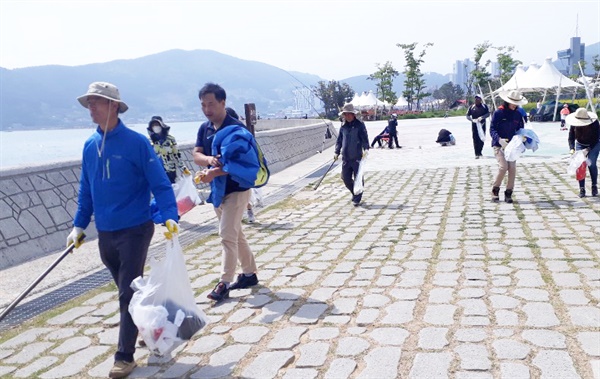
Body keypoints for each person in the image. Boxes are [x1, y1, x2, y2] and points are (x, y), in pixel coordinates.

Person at [66, 82, 178, 379]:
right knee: (129, 291)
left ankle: (124, 356)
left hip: (135, 229)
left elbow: (160, 183)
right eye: (89, 102)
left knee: (127, 294)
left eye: (96, 102)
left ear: (114, 106)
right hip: (106, 232)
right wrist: (79, 225)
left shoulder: (136, 143)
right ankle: (150, 324)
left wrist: (169, 216)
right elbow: (86, 190)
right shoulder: (90, 145)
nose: (91, 107)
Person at [193, 83, 259, 302]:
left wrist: (215, 172)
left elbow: (240, 163)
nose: (207, 109)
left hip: (237, 190)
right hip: (218, 191)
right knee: (235, 233)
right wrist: (209, 162)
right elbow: (197, 154)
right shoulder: (205, 129)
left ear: (222, 102)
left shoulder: (236, 129)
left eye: (211, 103)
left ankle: (224, 282)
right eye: (203, 105)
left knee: (226, 236)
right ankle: (249, 274)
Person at [489, 90, 527, 203]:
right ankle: (495, 190)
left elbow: (520, 129)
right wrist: (499, 140)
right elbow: (492, 129)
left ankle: (508, 193)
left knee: (512, 169)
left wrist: (523, 138)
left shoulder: (518, 114)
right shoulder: (498, 113)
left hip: (512, 146)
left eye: (516, 103)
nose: (514, 105)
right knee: (503, 167)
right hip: (499, 145)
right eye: (512, 102)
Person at [224, 106, 258, 223]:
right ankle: (247, 213)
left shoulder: (238, 132)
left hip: (238, 171)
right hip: (236, 172)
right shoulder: (240, 130)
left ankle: (247, 212)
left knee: (242, 192)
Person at [334, 103, 370, 206]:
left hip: (357, 157)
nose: (347, 116)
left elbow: (364, 139)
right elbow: (339, 140)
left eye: (349, 114)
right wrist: (336, 152)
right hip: (346, 157)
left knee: (358, 178)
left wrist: (366, 149)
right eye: (345, 114)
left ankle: (357, 198)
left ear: (353, 114)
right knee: (345, 178)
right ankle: (355, 192)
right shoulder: (343, 126)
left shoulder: (359, 125)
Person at [146, 116, 191, 183]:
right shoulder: (149, 142)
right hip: (156, 171)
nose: (155, 127)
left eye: (157, 125)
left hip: (170, 171)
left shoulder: (170, 139)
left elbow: (177, 155)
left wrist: (183, 168)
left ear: (161, 125)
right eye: (153, 125)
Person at [567, 108, 600, 197]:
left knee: (591, 163)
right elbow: (571, 137)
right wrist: (572, 149)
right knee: (580, 164)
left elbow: (596, 139)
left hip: (594, 145)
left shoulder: (595, 123)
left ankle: (594, 186)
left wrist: (588, 149)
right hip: (580, 144)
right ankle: (582, 188)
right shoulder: (574, 124)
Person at [466, 94, 490, 159]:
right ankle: (476, 153)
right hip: (474, 124)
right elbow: (467, 116)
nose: (476, 100)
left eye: (478, 99)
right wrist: (472, 120)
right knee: (475, 138)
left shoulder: (484, 106)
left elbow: (488, 114)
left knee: (482, 138)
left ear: (481, 99)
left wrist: (482, 117)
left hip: (482, 124)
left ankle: (480, 151)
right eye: (476, 99)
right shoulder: (471, 107)